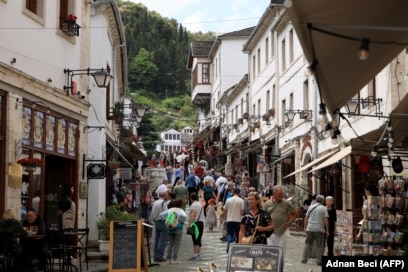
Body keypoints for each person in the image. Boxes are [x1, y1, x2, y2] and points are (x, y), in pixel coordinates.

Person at [264, 185, 296, 262]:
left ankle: (280, 268)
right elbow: (263, 215)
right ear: (274, 193)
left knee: (281, 253)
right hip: (270, 232)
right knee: (270, 253)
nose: (281, 195)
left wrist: (290, 222)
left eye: (282, 193)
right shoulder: (267, 203)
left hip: (282, 232)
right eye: (279, 194)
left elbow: (294, 212)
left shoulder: (285, 203)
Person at [300, 195, 329, 266]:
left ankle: (304, 259)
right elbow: (325, 220)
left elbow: (306, 217)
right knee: (320, 245)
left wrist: (305, 227)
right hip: (319, 229)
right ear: (322, 201)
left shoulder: (310, 207)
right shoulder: (323, 208)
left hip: (310, 228)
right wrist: (327, 230)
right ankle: (318, 261)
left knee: (307, 244)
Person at [159, 198, 187, 263]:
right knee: (177, 243)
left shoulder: (170, 210)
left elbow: (161, 215)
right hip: (178, 227)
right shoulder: (181, 210)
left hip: (170, 227)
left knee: (170, 244)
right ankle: (174, 258)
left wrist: (166, 220)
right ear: (181, 204)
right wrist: (181, 221)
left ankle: (168, 258)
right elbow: (184, 216)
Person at [223, 188, 244, 252]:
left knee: (230, 233)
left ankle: (229, 245)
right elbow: (241, 211)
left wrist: (225, 218)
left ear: (233, 192)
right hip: (238, 220)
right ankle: (237, 247)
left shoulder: (228, 200)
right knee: (238, 233)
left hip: (229, 220)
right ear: (239, 193)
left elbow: (225, 210)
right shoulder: (241, 200)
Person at [151, 191, 169, 262]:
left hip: (156, 221)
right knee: (163, 240)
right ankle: (160, 256)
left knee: (157, 239)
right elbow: (166, 213)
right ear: (164, 195)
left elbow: (152, 212)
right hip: (162, 221)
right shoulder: (163, 203)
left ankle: (155, 256)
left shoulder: (155, 202)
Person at [186, 192, 205, 261]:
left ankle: (196, 255)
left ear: (190, 198)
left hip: (196, 223)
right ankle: (198, 254)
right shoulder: (200, 204)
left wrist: (189, 224)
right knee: (198, 238)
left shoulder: (193, 205)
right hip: (201, 223)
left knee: (195, 239)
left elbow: (193, 215)